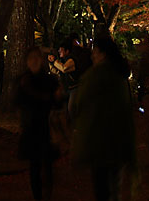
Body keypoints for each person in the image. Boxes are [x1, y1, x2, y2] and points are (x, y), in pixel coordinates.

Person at [72, 35, 136, 201]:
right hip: (119, 140)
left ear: (103, 54)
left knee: (101, 188)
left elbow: (79, 106)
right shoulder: (120, 77)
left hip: (99, 140)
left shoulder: (93, 77)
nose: (92, 55)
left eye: (95, 51)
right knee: (115, 188)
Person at [16, 46, 60, 201]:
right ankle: (38, 197)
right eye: (31, 58)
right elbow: (17, 102)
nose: (34, 61)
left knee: (47, 167)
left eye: (37, 57)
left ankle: (46, 195)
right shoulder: (23, 80)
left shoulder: (49, 80)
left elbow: (57, 103)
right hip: (31, 129)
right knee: (34, 167)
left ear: (41, 60)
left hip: (46, 127)